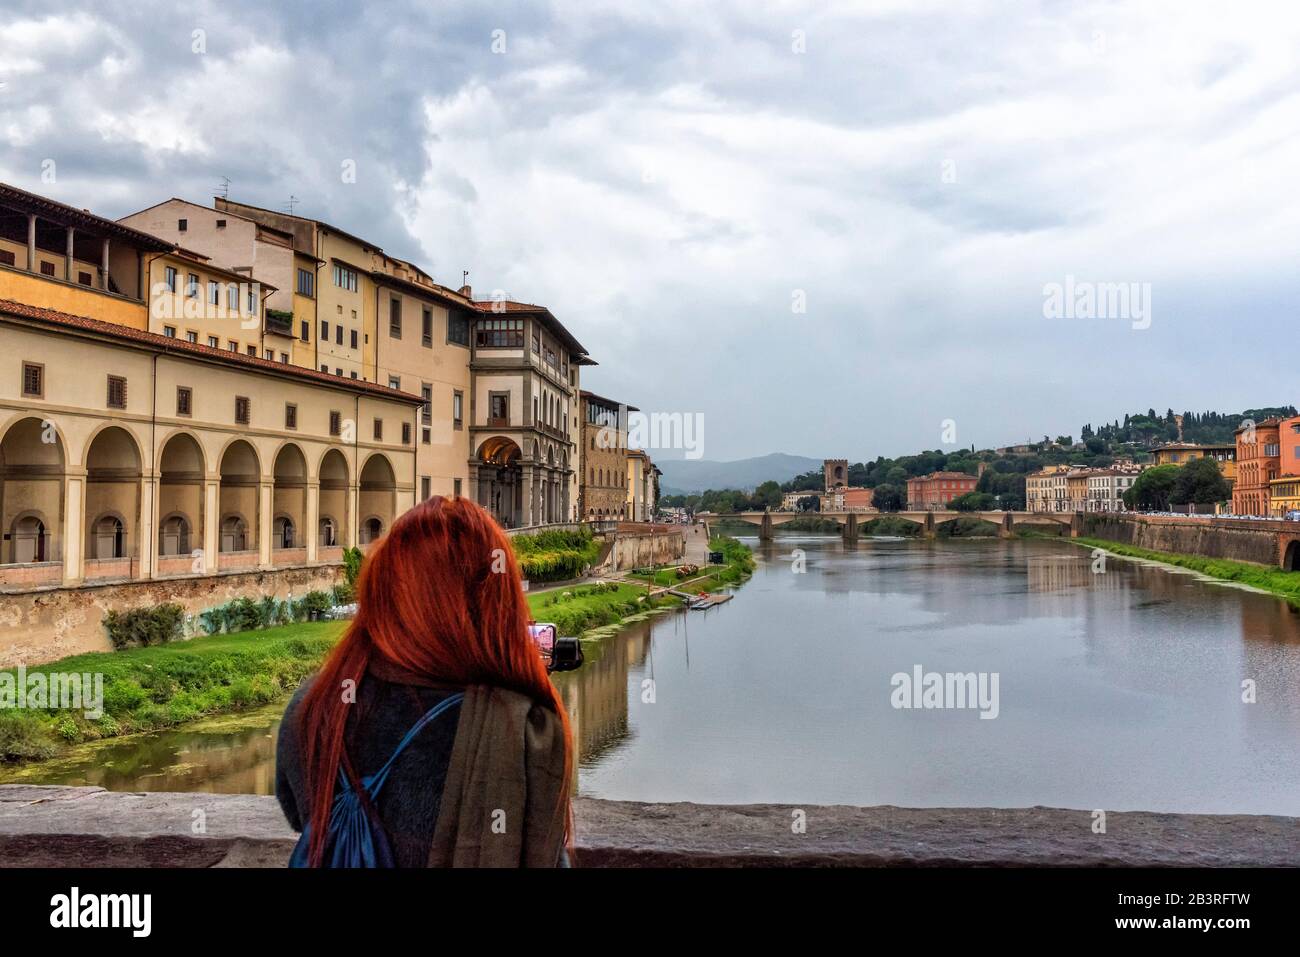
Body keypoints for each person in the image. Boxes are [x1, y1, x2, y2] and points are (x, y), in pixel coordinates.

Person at [276, 495, 573, 867]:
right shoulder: (523, 727)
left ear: (384, 590)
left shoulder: (314, 705)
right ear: (496, 599)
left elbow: (297, 812)